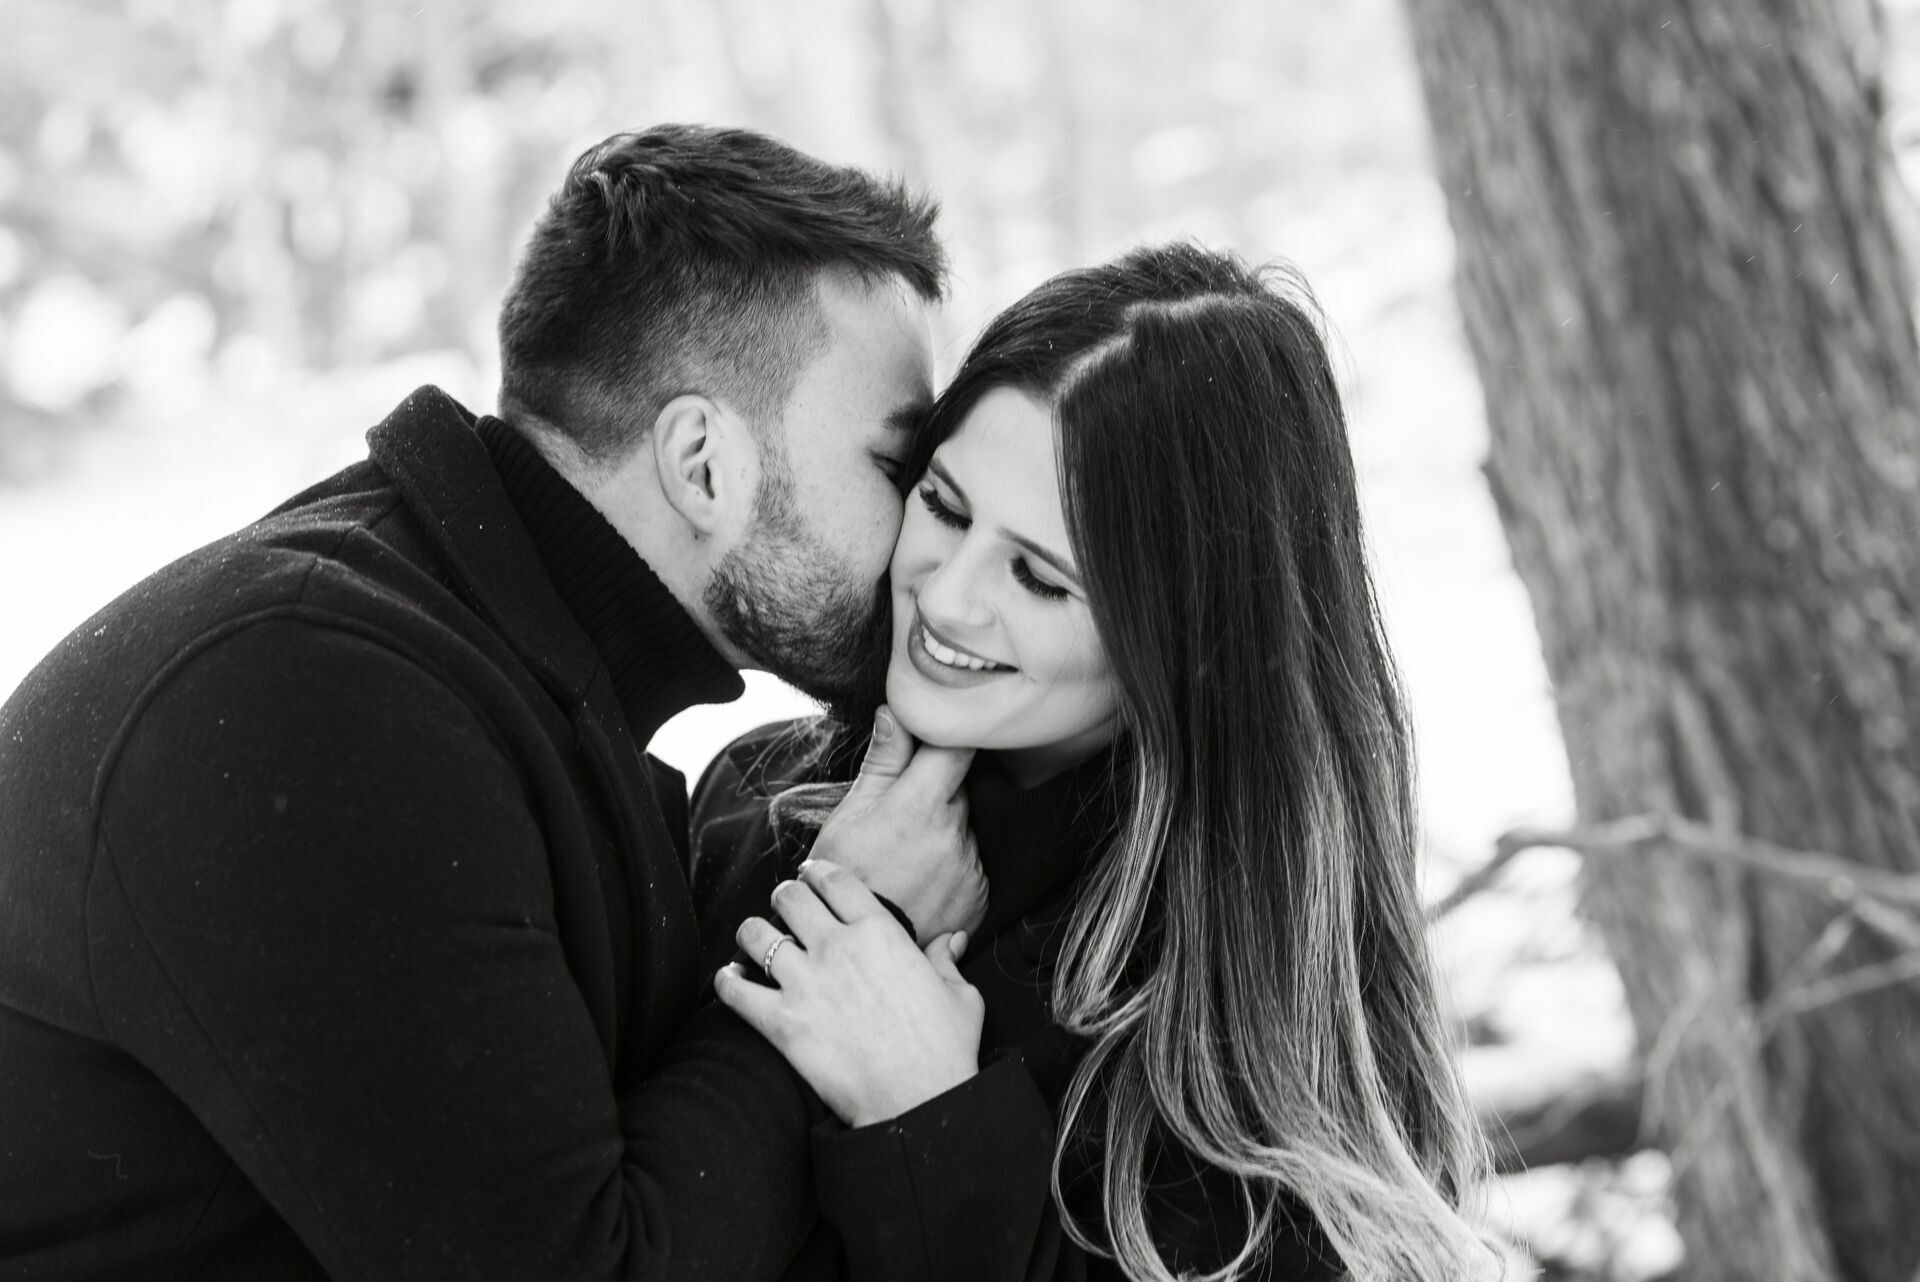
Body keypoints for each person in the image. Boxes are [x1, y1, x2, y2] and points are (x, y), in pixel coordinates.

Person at [0, 123, 986, 1280]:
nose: (924, 542)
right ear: (704, 464)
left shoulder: (489, 675)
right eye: (895, 469)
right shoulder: (318, 697)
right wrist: (842, 926)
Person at [690, 244, 1494, 1280]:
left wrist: (935, 1123)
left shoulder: (1235, 1027)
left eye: (1037, 577)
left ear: (1179, 641)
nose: (947, 597)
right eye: (941, 505)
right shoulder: (756, 800)